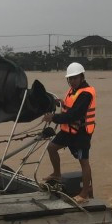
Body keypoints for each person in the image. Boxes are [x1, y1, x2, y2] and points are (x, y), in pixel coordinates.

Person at [42, 62, 96, 204]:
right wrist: (62, 103)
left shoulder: (86, 94)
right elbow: (71, 107)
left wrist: (53, 117)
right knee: (52, 147)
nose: (72, 81)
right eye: (70, 78)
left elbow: (74, 114)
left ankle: (84, 193)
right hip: (68, 130)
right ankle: (57, 174)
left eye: (75, 78)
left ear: (82, 77)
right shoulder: (73, 91)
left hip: (81, 133)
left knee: (84, 162)